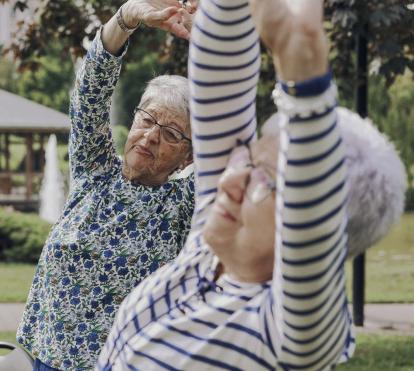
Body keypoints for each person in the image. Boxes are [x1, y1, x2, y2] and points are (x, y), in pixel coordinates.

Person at [96, 0, 365, 369]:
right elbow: (221, 77)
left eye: (266, 182)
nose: (232, 179)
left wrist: (304, 74)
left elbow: (315, 197)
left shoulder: (289, 330)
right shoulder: (209, 253)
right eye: (249, 160)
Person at [17, 1, 198, 370]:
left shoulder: (184, 202)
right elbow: (91, 92)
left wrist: (218, 43)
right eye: (147, 119)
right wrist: (127, 17)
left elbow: (232, 140)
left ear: (189, 157)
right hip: (48, 356)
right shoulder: (96, 168)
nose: (150, 137)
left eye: (171, 133)